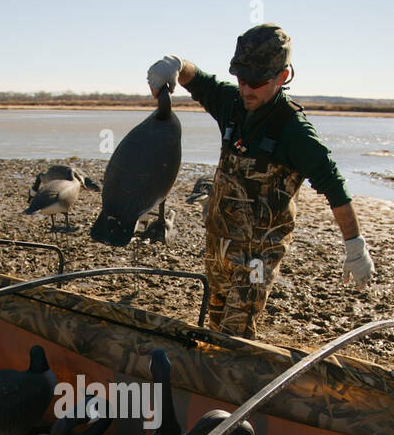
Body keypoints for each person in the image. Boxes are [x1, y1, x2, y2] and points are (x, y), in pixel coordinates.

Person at [148, 26, 375, 338]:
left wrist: (355, 245)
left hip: (257, 257)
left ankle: (236, 381)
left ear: (282, 77)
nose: (245, 89)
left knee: (236, 335)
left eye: (255, 82)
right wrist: (174, 64)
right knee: (216, 327)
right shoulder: (233, 105)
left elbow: (334, 186)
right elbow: (196, 79)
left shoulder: (295, 132)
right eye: (241, 79)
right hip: (219, 244)